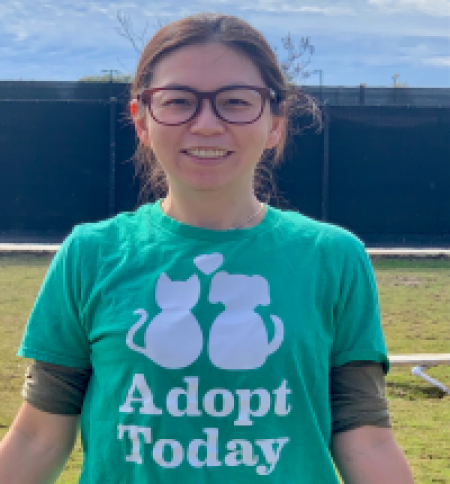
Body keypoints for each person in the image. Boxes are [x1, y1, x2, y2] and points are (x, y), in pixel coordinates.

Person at [0, 13, 414, 484]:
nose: (206, 124)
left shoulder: (334, 257)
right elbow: (38, 438)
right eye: (178, 101)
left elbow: (366, 438)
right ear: (141, 120)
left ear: (275, 123)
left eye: (235, 102)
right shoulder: (90, 254)